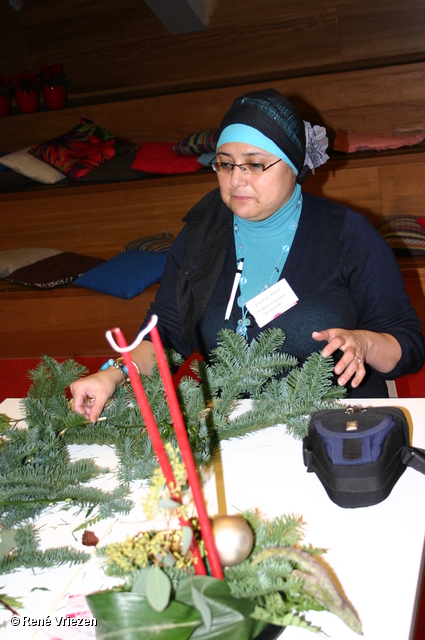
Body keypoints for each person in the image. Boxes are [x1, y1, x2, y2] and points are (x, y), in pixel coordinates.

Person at [71, 89, 425, 423]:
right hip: (234, 428)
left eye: (254, 165)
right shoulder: (200, 235)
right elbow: (164, 335)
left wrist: (364, 342)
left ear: (292, 165)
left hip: (335, 425)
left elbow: (408, 345)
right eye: (225, 165)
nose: (236, 180)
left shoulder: (348, 234)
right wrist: (113, 374)